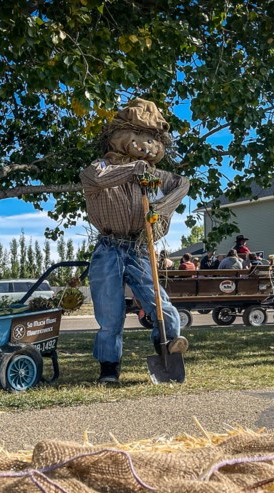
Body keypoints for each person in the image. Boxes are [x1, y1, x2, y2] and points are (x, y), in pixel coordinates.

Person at [79, 98, 190, 384]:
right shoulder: (101, 166)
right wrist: (131, 170)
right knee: (110, 314)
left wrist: (161, 208)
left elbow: (182, 183)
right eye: (138, 136)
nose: (146, 145)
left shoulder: (155, 176)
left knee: (161, 306)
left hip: (140, 247)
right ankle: (108, 369)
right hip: (109, 248)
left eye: (152, 138)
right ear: (119, 136)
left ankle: (168, 347)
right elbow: (94, 178)